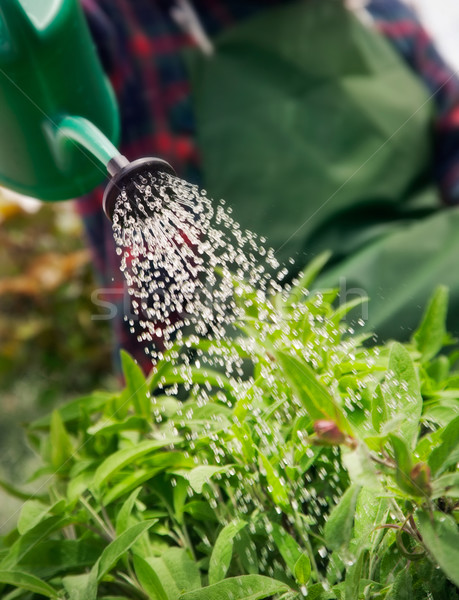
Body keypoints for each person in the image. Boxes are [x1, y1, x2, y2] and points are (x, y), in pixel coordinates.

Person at [79, 0, 459, 372]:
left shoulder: (379, 10)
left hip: (432, 280)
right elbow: (36, 64)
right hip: (260, 347)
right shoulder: (117, 27)